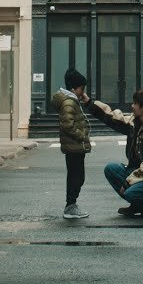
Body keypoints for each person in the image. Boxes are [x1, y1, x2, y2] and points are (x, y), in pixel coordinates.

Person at [82, 88, 143, 217]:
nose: (132, 106)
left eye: (135, 103)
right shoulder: (136, 123)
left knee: (131, 192)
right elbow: (111, 117)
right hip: (141, 172)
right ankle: (140, 206)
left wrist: (128, 182)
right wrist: (89, 102)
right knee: (111, 169)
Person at [51, 68, 91, 219]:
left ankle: (72, 205)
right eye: (81, 89)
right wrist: (81, 136)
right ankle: (70, 206)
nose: (83, 92)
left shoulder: (72, 101)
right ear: (74, 89)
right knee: (76, 177)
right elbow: (68, 125)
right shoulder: (69, 103)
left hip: (75, 146)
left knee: (78, 176)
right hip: (74, 146)